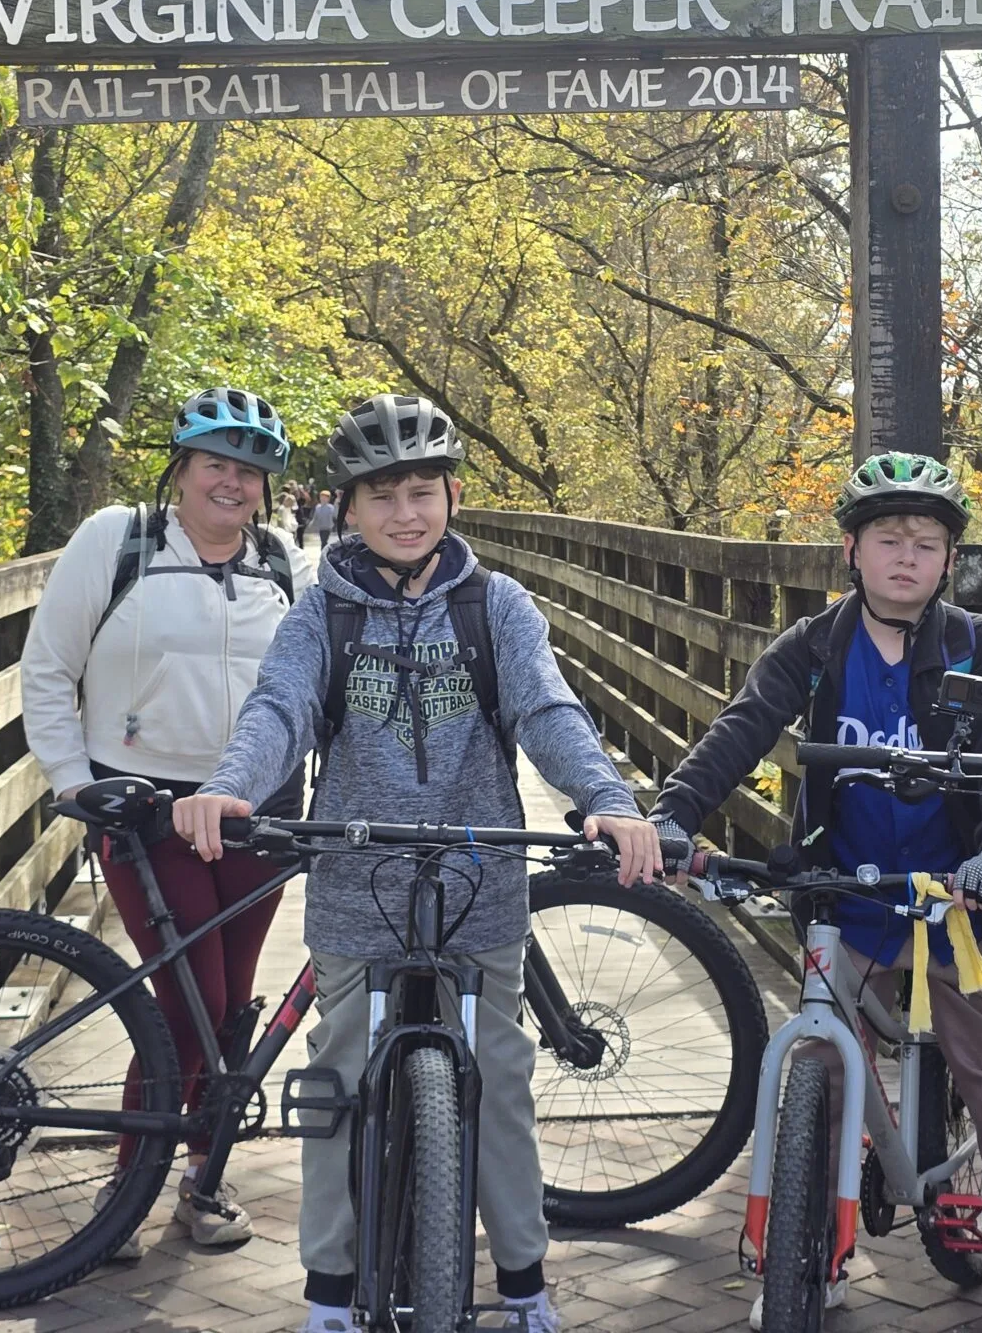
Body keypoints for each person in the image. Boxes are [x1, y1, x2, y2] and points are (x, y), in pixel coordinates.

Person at [173, 393, 662, 1333]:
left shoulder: (498, 607)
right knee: (338, 1083)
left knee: (504, 1081)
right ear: (347, 508)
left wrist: (605, 799)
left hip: (481, 885)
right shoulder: (322, 614)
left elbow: (547, 712)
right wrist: (230, 785)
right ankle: (327, 1292)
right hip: (359, 888)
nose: (407, 512)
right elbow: (278, 710)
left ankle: (523, 1282)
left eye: (424, 491)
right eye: (384, 494)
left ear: (453, 496)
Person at [646, 452, 982, 1325]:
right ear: (852, 552)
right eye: (889, 539)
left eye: (928, 543)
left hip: (957, 902)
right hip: (847, 893)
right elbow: (742, 730)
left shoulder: (980, 647)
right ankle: (811, 1258)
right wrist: (675, 813)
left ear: (949, 559)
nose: (908, 557)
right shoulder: (815, 647)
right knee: (824, 1080)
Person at [21, 386, 315, 1256]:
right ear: (180, 469)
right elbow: (46, 669)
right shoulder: (116, 541)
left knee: (230, 1009)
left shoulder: (285, 564)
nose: (232, 483)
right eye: (216, 463)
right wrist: (74, 783)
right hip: (145, 805)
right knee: (191, 1001)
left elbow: (316, 688)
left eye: (250, 470)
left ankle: (202, 1181)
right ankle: (129, 1185)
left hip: (260, 808)